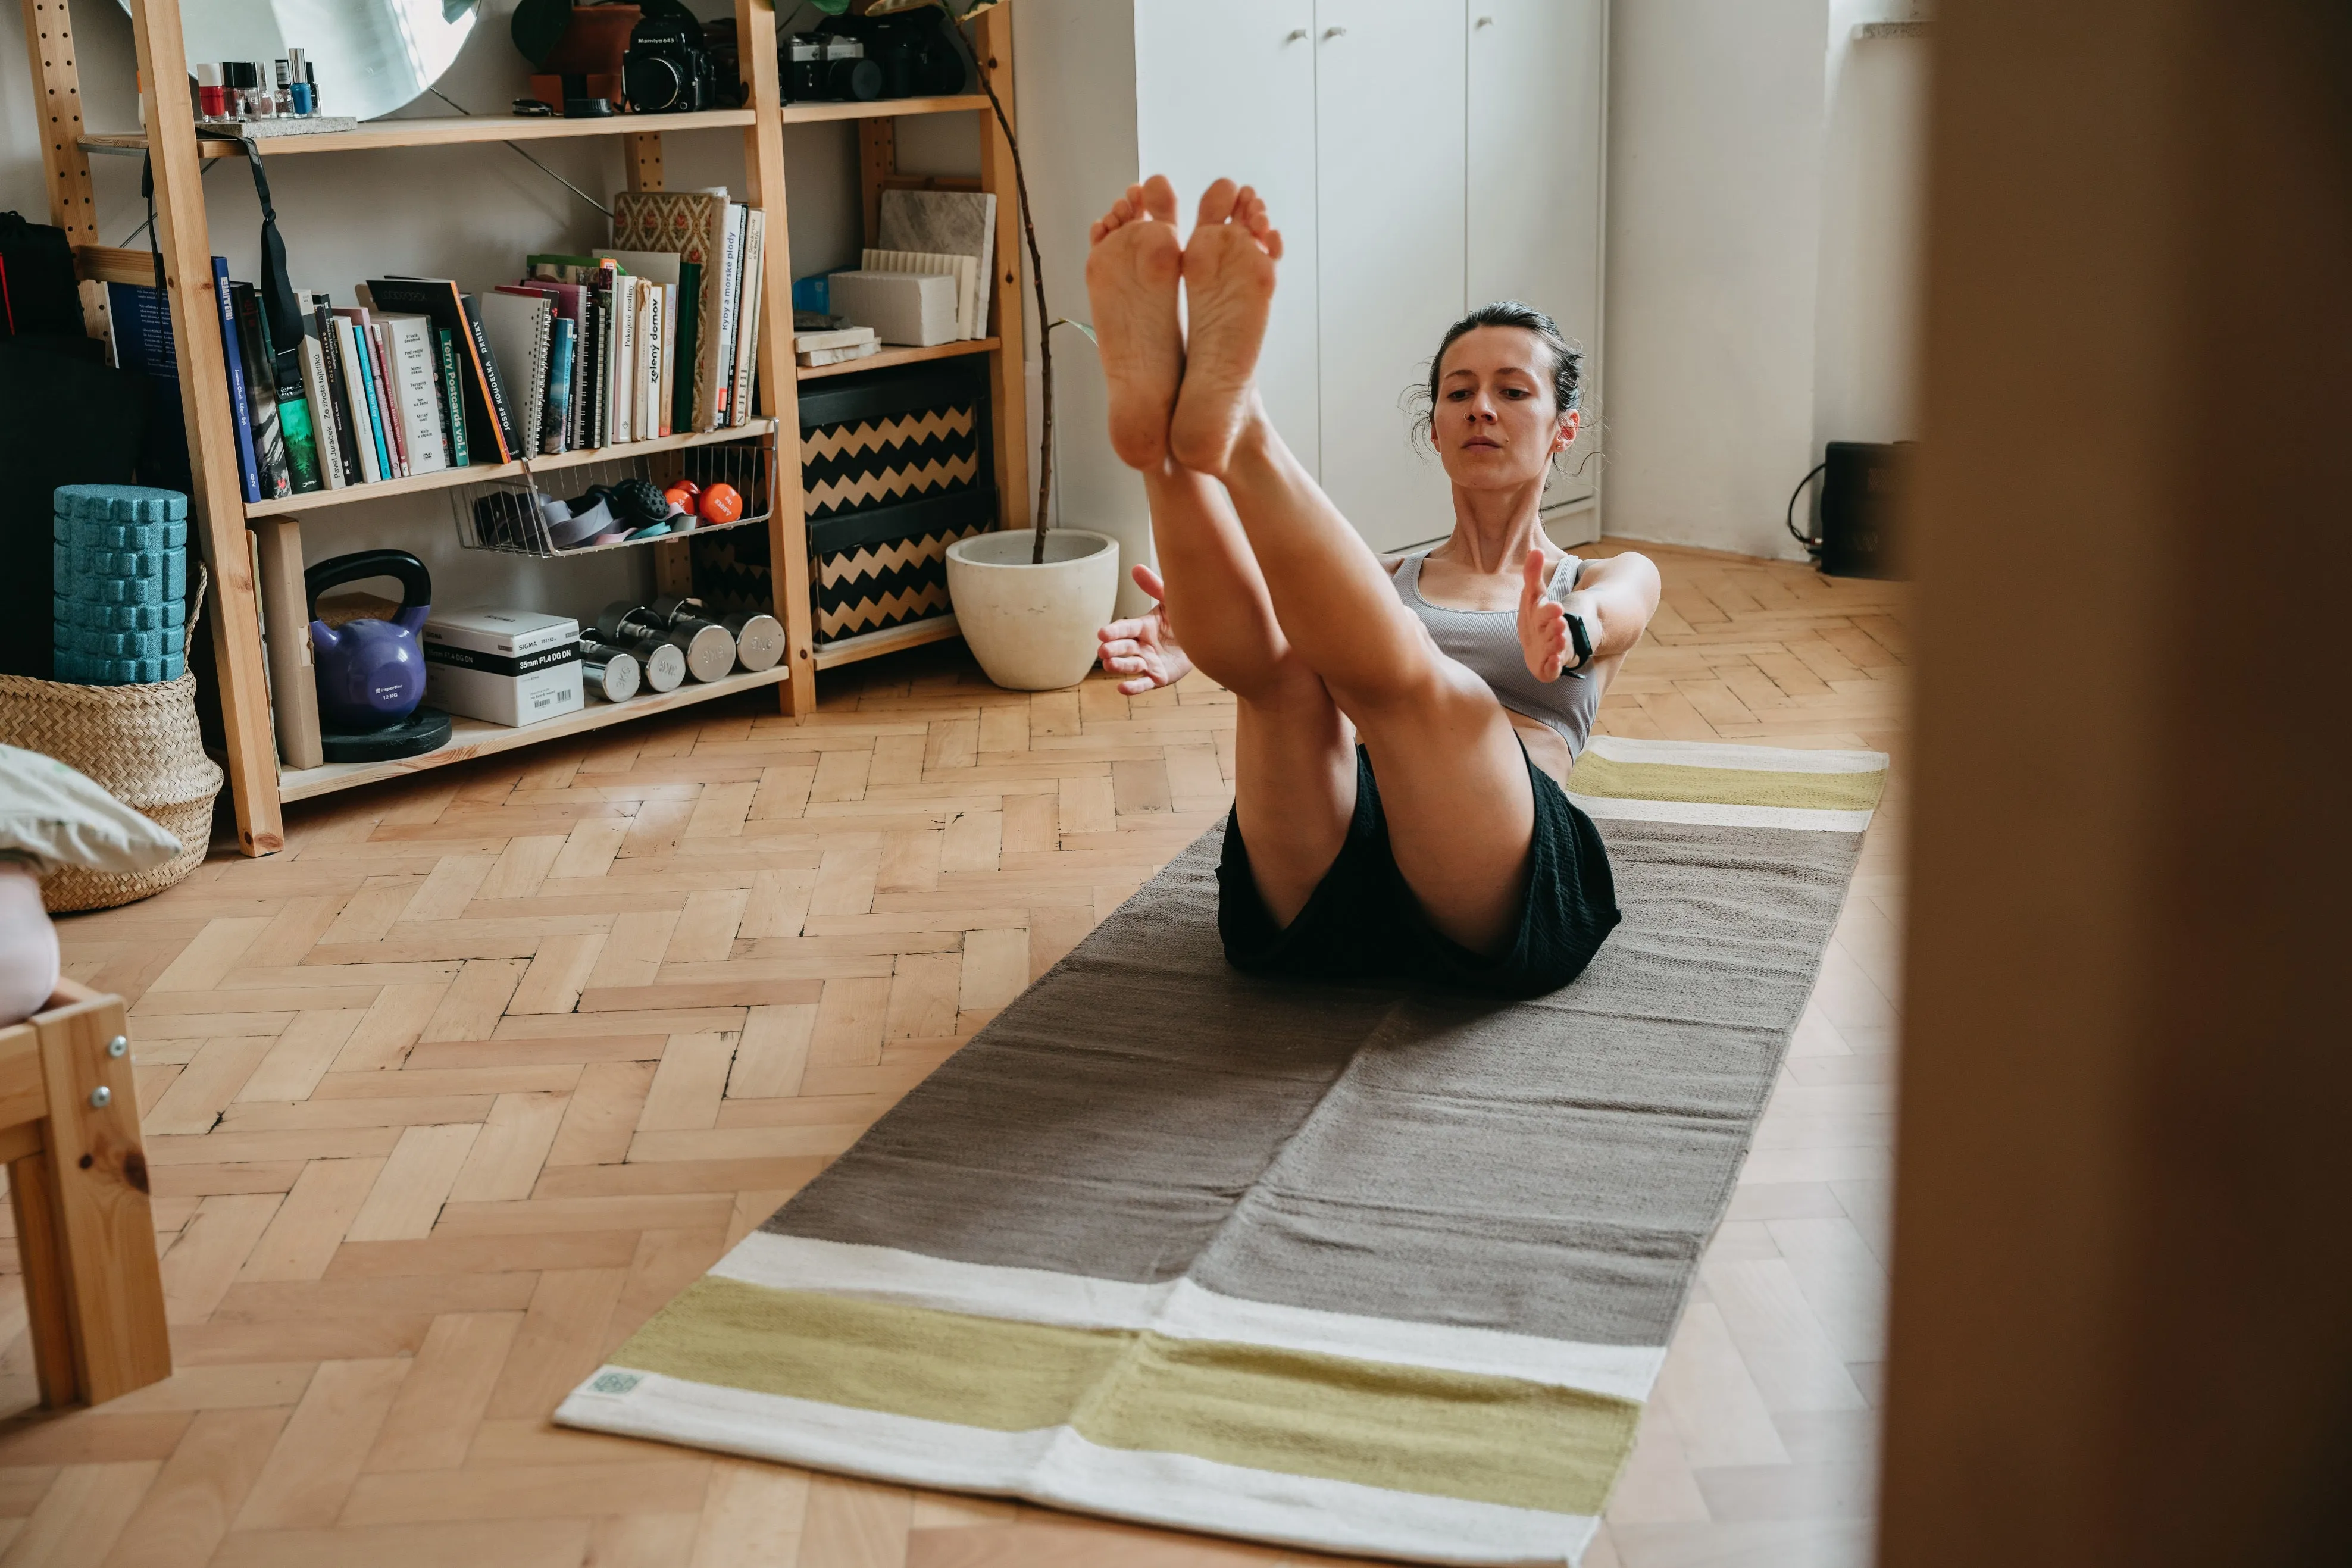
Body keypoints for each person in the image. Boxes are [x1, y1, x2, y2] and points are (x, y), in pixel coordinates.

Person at [1086, 176, 1662, 997]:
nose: (1481, 409)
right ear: (1434, 428)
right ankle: (1166, 449)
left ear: (1563, 429)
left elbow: (1619, 611)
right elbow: (1275, 632)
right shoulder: (1374, 583)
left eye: (1513, 391)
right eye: (1458, 393)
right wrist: (1191, 640)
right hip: (1332, 859)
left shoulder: (1598, 575)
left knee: (1439, 694)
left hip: (1494, 875)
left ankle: (1236, 431)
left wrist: (1569, 628)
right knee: (1282, 677)